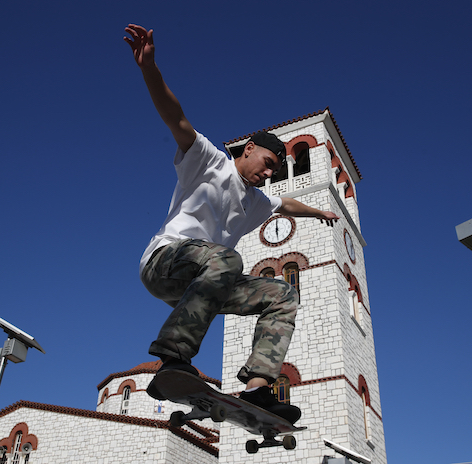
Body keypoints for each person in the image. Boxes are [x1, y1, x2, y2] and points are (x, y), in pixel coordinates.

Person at [124, 23, 339, 424]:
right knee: (227, 258)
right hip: (164, 263)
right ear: (250, 149)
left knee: (281, 294)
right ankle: (173, 357)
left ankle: (258, 388)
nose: (269, 174)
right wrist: (149, 68)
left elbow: (286, 204)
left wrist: (320, 211)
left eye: (275, 171)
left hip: (202, 288)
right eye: (269, 164)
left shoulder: (258, 201)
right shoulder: (208, 161)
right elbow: (175, 116)